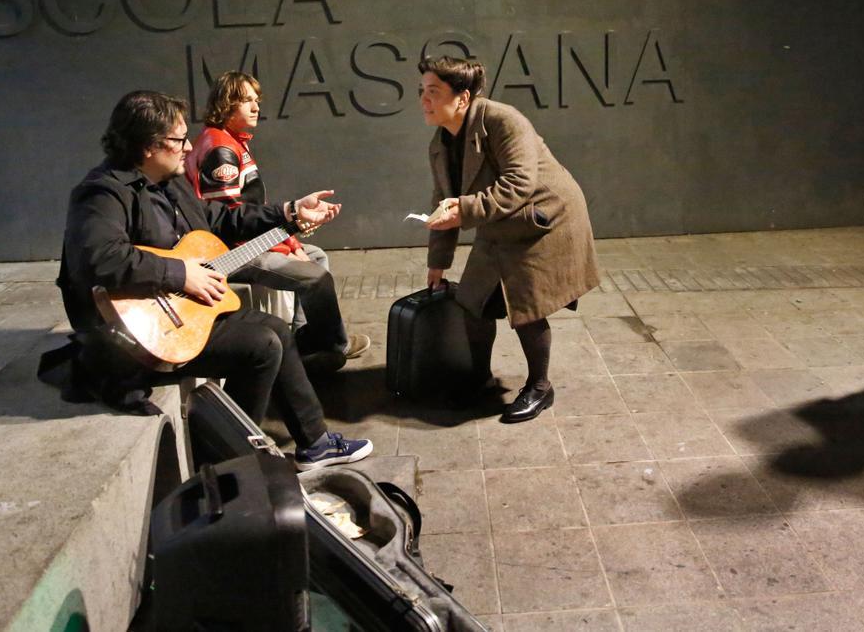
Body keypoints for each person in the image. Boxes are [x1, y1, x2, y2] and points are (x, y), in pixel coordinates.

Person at [57, 90, 372, 470]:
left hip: (179, 312)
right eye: (178, 140)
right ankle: (227, 462)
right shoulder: (102, 192)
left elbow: (220, 221)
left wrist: (289, 213)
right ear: (148, 147)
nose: (189, 147)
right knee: (261, 346)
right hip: (129, 338)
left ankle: (314, 443)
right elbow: (98, 258)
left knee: (277, 332)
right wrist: (181, 273)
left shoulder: (170, 183)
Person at [419, 56, 601, 423]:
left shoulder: (503, 121)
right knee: (471, 301)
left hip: (543, 218)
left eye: (434, 92)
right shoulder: (440, 143)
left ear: (463, 97)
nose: (424, 99)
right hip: (499, 219)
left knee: (527, 307)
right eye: (422, 91)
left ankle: (539, 386)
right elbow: (443, 202)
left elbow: (519, 184)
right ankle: (479, 378)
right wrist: (438, 262)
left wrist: (465, 210)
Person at [186, 71, 370, 374]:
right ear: (226, 104)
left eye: (257, 100)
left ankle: (301, 344)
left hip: (240, 242)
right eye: (246, 100)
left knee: (315, 257)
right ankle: (334, 346)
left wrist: (292, 240)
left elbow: (248, 215)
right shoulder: (221, 150)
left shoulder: (230, 141)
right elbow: (230, 224)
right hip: (227, 253)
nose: (256, 106)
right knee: (315, 277)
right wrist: (288, 245)